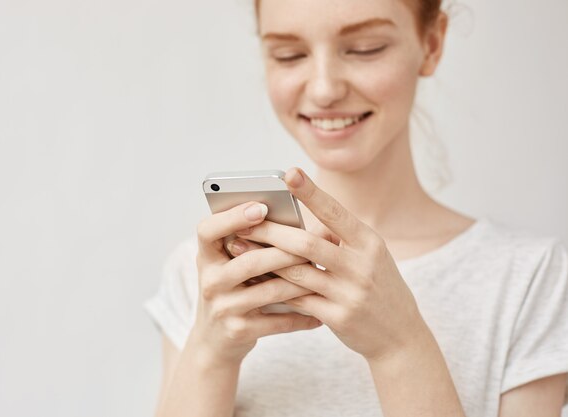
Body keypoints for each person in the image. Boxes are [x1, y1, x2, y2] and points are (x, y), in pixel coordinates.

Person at [146, 0, 568, 416]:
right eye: (288, 55)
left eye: (365, 48)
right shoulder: (209, 276)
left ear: (432, 42)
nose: (325, 89)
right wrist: (210, 353)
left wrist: (400, 346)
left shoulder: (529, 278)